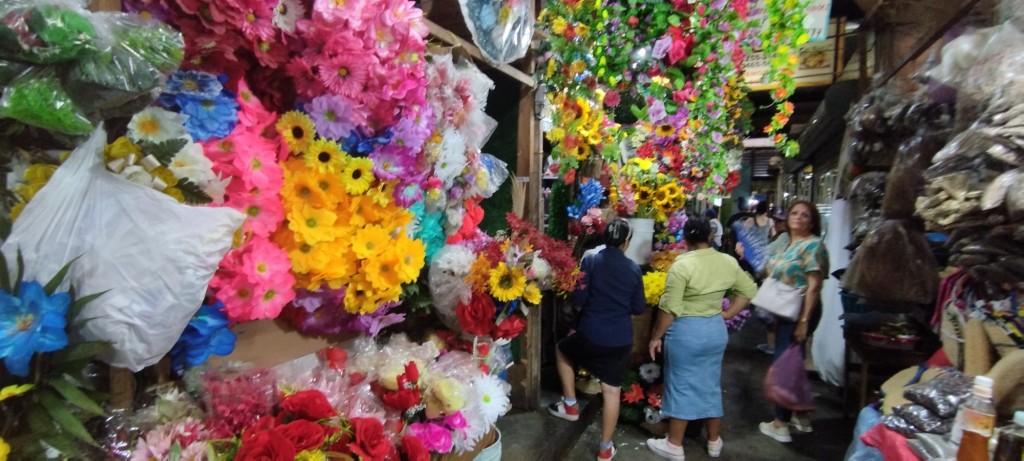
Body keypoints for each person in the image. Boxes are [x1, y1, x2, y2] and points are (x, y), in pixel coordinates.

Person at [645, 217, 757, 460]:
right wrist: (727, 313)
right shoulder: (727, 261)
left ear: (685, 239)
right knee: (710, 383)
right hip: (715, 330)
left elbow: (670, 309)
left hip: (686, 332)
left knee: (681, 385)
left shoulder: (682, 265)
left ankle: (674, 445)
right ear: (709, 237)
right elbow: (748, 290)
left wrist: (655, 337)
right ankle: (714, 441)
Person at [548, 218, 646, 461]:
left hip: (590, 334)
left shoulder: (591, 261)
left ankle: (570, 404)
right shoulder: (634, 269)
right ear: (626, 243)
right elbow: (639, 308)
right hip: (620, 340)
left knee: (563, 349)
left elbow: (579, 301)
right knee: (611, 391)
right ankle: (604, 449)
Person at [756, 200, 830, 443]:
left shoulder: (813, 245)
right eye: (794, 213)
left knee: (784, 366)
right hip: (786, 310)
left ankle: (780, 423)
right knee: (793, 362)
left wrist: (804, 321)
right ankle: (801, 413)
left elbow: (814, 286)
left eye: (805, 215)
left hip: (800, 311)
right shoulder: (788, 243)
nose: (798, 217)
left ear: (813, 221)